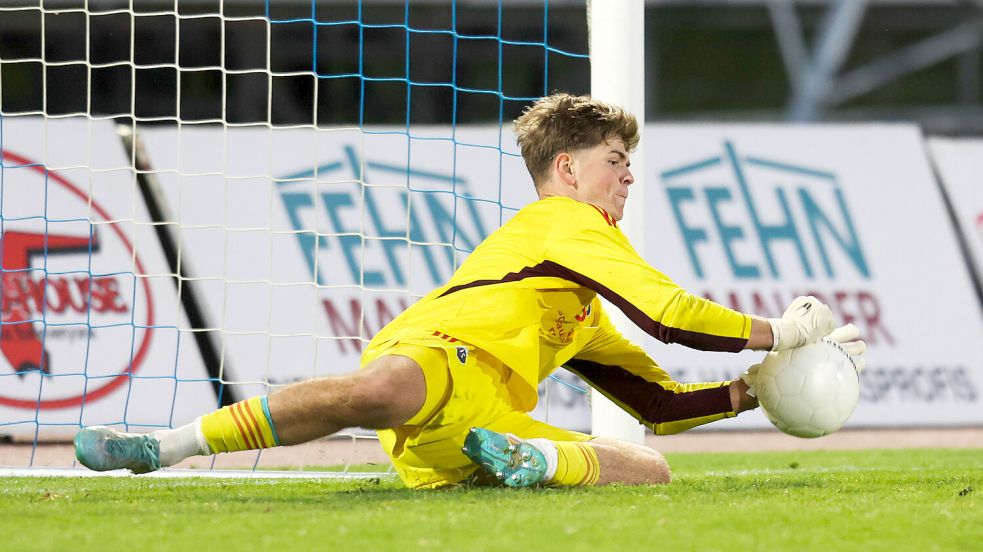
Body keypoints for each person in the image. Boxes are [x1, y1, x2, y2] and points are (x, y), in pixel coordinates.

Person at [75, 93, 865, 488]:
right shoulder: (566, 220)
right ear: (566, 170)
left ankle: (530, 462)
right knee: (385, 387)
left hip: (480, 423)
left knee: (649, 468)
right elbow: (667, 316)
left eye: (629, 160)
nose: (628, 172)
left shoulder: (581, 305)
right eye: (614, 157)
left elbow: (656, 404)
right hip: (439, 359)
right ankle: (163, 447)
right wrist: (778, 331)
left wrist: (750, 393)